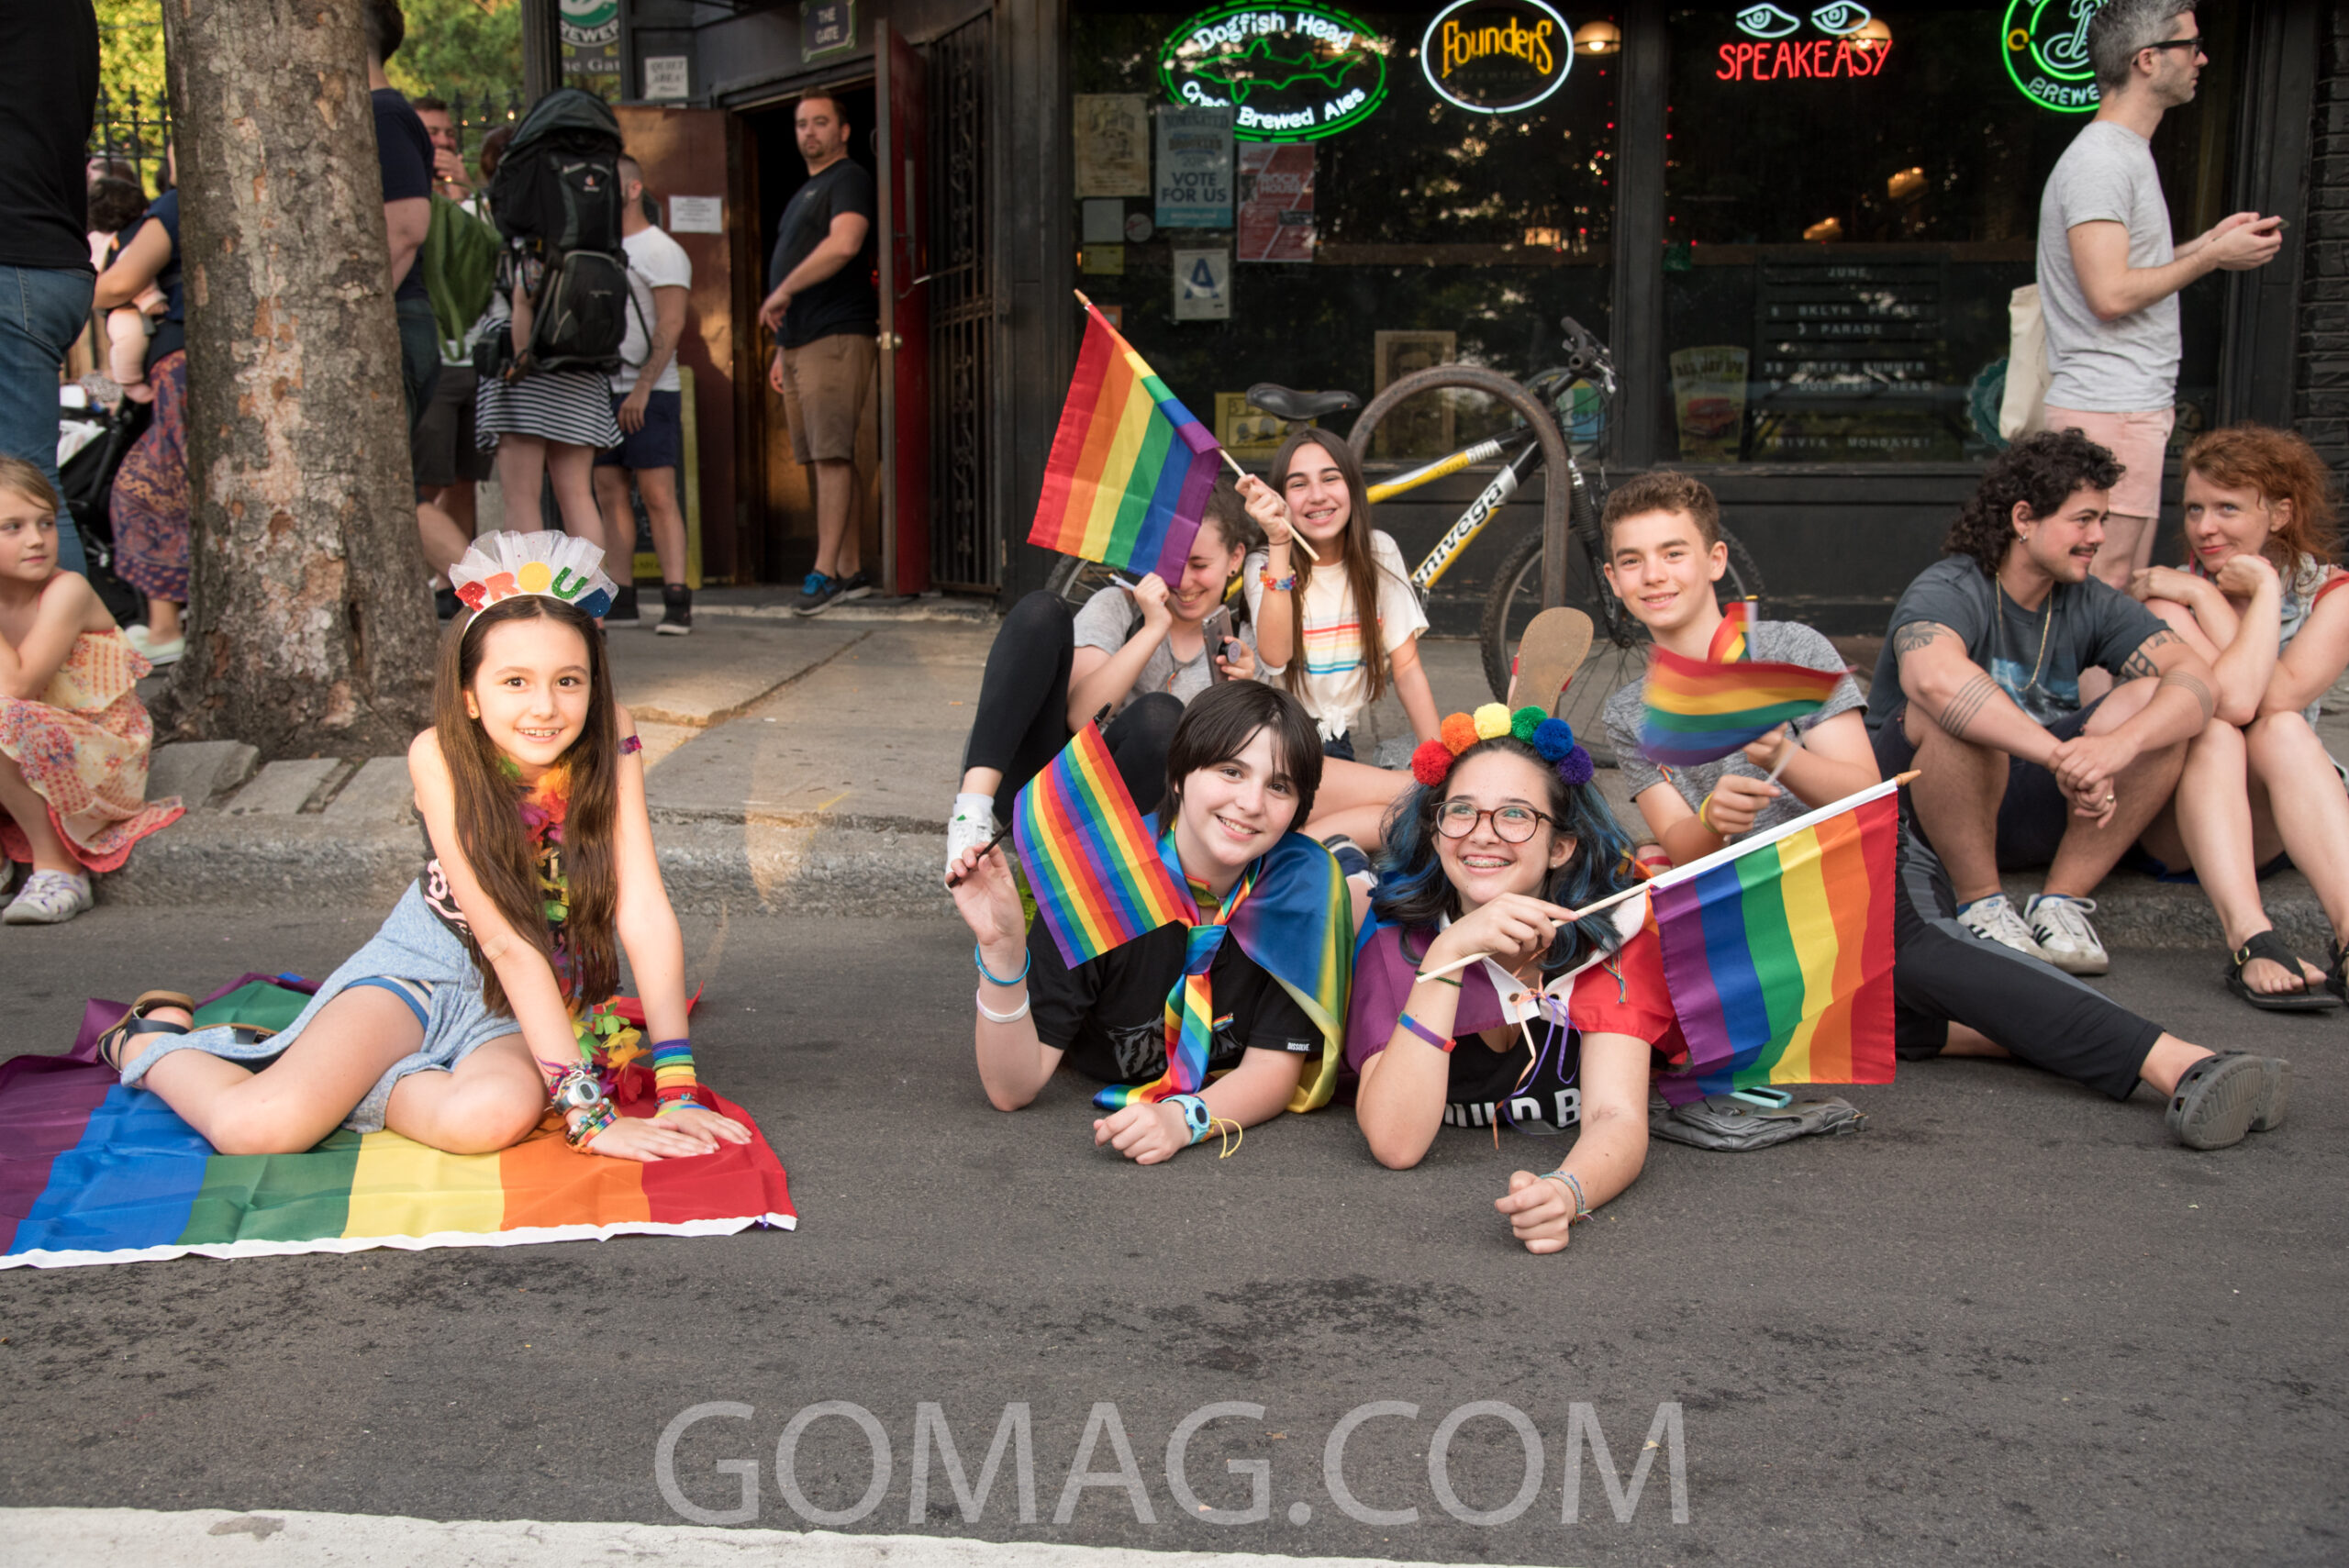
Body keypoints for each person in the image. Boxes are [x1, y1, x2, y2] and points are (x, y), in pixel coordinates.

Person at [1601, 470, 2288, 1151]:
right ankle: (1999, 1032)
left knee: (1923, 958)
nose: (1654, 575)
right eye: (1632, 561)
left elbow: (1865, 793)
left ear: (1715, 559)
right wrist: (1714, 820)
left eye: (1673, 552)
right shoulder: (1629, 712)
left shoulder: (1788, 648)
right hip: (1763, 909)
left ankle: (2181, 1060)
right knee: (1797, 1029)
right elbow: (1683, 849)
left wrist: (1782, 753)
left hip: (1858, 861)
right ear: (1611, 578)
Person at [96, 530, 753, 1164]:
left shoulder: (611, 735)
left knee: (487, 1119)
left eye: (568, 681)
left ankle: (350, 1083)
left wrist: (676, 1089)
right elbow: (504, 941)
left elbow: (642, 907)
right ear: (469, 696)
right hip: (421, 972)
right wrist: (587, 1115)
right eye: (515, 682)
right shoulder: (437, 754)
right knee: (258, 1127)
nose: (546, 707)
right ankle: (146, 1044)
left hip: (531, 1003)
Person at [946, 681, 1346, 1164]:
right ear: (1178, 775)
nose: (1252, 803)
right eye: (1231, 771)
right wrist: (1002, 951)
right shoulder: (1098, 876)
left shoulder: (1300, 885)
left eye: (1279, 786)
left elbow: (1273, 1071)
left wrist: (1184, 1119)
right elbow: (1013, 1087)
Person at [1866, 428, 2218, 975]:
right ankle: (1981, 903)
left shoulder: (2089, 602)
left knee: (2157, 703)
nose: (2099, 536)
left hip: (2033, 801)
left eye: (2102, 519)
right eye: (2084, 519)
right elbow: (1932, 679)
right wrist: (2062, 757)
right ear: (2024, 519)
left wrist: (2117, 749)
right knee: (1954, 710)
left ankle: (2061, 903)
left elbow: (2197, 679)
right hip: (1918, 810)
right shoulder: (1952, 587)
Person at [1347, 708, 1684, 1252]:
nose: (1483, 835)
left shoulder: (1613, 934)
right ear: (1436, 831)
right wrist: (1449, 954)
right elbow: (1396, 1143)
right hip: (1391, 906)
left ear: (1561, 846)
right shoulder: (1398, 939)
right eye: (1461, 811)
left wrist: (1568, 1191)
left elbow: (1614, 1114)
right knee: (1349, 885)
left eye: (1515, 815)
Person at [2037, 0, 2281, 590]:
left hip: (2121, 404)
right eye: (2190, 45)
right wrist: (2211, 258)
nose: (2201, 58)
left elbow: (2122, 271)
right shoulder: (2101, 161)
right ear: (2147, 60)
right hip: (2111, 405)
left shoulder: (2121, 152)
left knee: (2108, 582)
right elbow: (2110, 293)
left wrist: (2207, 242)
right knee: (2103, 581)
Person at [2130, 425, 2349, 1010]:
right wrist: (2206, 595)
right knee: (2217, 729)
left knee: (2284, 728)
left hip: (2268, 818)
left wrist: (2252, 594)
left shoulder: (2332, 595)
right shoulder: (2166, 597)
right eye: (2195, 508)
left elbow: (2278, 700)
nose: (2205, 527)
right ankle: (2251, 940)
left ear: (2279, 513)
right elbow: (2236, 701)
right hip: (2175, 818)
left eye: (2227, 507)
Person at [945, 482, 1261, 875]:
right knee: (1042, 609)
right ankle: (970, 810)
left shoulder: (1243, 645)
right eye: (1169, 563)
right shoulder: (1117, 607)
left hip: (1132, 820)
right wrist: (1152, 629)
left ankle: (1087, 867)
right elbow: (1082, 716)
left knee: (1162, 716)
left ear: (1234, 558)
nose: (1183, 581)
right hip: (1047, 793)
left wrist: (1242, 696)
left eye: (1199, 565)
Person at [1236, 428, 1441, 853]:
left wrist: (1439, 757)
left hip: (1334, 744)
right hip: (1274, 742)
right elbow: (1275, 655)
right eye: (1298, 484)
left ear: (1352, 486)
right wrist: (1279, 541)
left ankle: (1298, 849)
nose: (1317, 495)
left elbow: (1407, 667)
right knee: (1421, 797)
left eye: (1330, 478)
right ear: (1280, 498)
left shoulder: (1379, 552)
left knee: (1410, 810)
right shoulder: (1265, 562)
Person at [0, 459, 183, 924]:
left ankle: (59, 869)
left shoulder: (67, 591)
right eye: (12, 528)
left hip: (100, 760)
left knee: (2, 714)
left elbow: (18, 687)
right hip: (31, 755)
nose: (37, 539)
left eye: (45, 522)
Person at [760, 94, 878, 617]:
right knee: (821, 457)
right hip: (801, 341)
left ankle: (824, 572)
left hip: (836, 332)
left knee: (832, 455)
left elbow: (846, 242)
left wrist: (783, 289)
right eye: (802, 124)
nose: (809, 132)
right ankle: (849, 570)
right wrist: (783, 348)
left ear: (844, 130)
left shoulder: (848, 178)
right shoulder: (804, 191)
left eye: (821, 122)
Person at [0, 0, 99, 581]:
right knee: (27, 491)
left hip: (14, 259)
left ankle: (76, 640)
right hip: (47, 261)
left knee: (24, 499)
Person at [92, 163, 190, 666]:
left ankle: (165, 625)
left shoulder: (174, 205)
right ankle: (166, 623)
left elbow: (120, 283)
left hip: (171, 368)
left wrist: (68, 289)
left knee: (146, 488)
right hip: (152, 375)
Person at [594, 156, 695, 634]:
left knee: (657, 494)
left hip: (651, 391)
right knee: (609, 490)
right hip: (601, 388)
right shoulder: (597, 249)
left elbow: (671, 324)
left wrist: (642, 387)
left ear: (634, 188)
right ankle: (622, 596)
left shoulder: (661, 249)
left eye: (608, 181)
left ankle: (677, 599)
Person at [411, 95, 473, 206]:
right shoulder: (400, 193)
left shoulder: (461, 189)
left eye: (450, 134)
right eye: (432, 132)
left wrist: (468, 190)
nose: (444, 142)